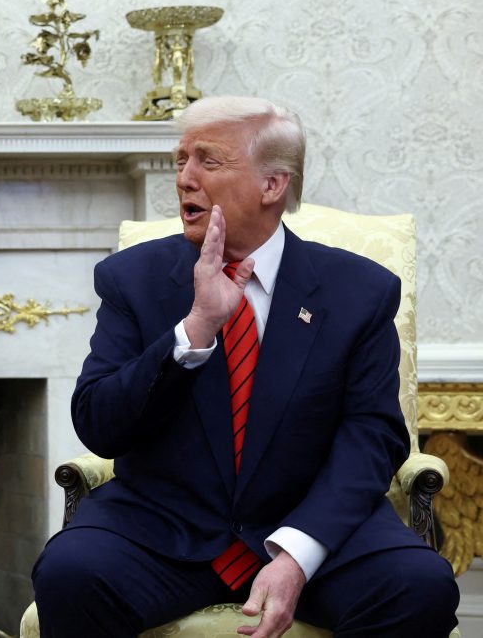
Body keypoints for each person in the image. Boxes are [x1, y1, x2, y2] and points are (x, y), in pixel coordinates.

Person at [32, 96, 458, 637]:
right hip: (162, 529)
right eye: (180, 160)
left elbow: (371, 435)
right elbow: (98, 422)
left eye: (207, 162)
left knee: (419, 585)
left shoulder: (360, 292)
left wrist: (297, 554)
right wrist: (195, 330)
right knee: (70, 575)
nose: (184, 178)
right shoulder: (133, 278)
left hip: (311, 526)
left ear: (272, 185)